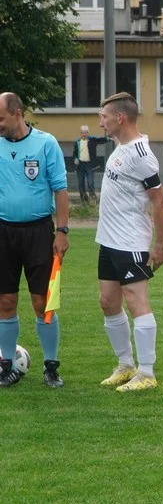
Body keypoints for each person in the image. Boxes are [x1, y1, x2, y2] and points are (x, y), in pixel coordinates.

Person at [94, 92, 163, 392]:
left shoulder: (141, 155)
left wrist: (159, 246)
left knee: (136, 301)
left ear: (120, 118)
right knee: (108, 302)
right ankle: (126, 365)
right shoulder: (121, 145)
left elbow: (160, 202)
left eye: (104, 117)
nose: (101, 122)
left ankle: (147, 373)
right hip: (109, 242)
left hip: (130, 243)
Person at [0, 93, 69, 388]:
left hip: (40, 232)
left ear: (17, 113)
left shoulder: (46, 143)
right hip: (4, 232)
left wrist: (62, 231)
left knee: (43, 303)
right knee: (5, 300)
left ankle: (50, 366)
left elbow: (61, 189)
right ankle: (6, 364)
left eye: (1, 118)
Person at [73, 125, 106, 203]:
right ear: (80, 133)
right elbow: (75, 153)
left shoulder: (92, 140)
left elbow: (100, 139)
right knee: (80, 185)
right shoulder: (77, 142)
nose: (84, 134)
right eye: (82, 133)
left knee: (90, 183)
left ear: (88, 133)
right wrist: (75, 158)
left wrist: (109, 138)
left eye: (86, 132)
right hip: (80, 165)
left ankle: (93, 199)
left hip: (89, 164)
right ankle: (85, 201)